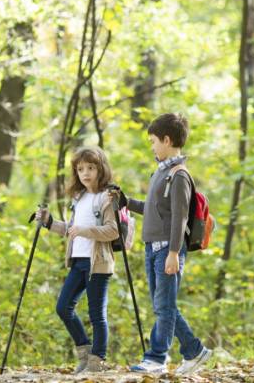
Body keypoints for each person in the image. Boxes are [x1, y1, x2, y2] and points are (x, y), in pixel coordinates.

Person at [116, 113, 213, 375]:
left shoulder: (179, 175)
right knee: (163, 306)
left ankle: (156, 358)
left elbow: (180, 217)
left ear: (167, 140)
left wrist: (173, 253)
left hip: (168, 250)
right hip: (153, 248)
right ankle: (194, 351)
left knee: (164, 306)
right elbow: (152, 210)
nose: (152, 147)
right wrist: (125, 201)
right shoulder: (160, 173)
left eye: (153, 141)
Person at [36, 146, 119, 373]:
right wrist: (48, 221)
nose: (85, 173)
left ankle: (97, 360)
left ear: (100, 169)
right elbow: (71, 230)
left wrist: (84, 230)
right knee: (63, 307)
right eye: (80, 169)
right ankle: (84, 352)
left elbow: (113, 231)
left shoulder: (106, 197)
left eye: (91, 168)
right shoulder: (79, 197)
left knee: (96, 314)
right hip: (78, 260)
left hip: (98, 263)